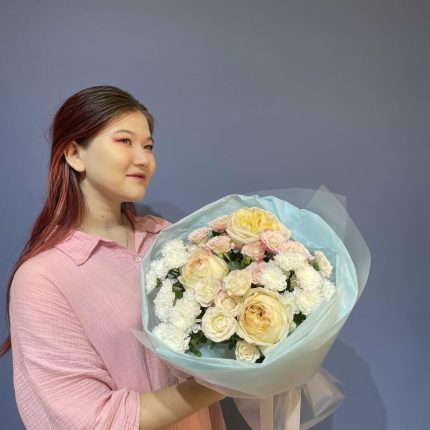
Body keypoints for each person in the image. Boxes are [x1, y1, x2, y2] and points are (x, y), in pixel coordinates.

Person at [0, 85, 227, 429]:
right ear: (75, 154)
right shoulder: (44, 278)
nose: (143, 159)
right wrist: (224, 384)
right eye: (125, 141)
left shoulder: (167, 239)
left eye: (148, 146)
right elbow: (94, 419)